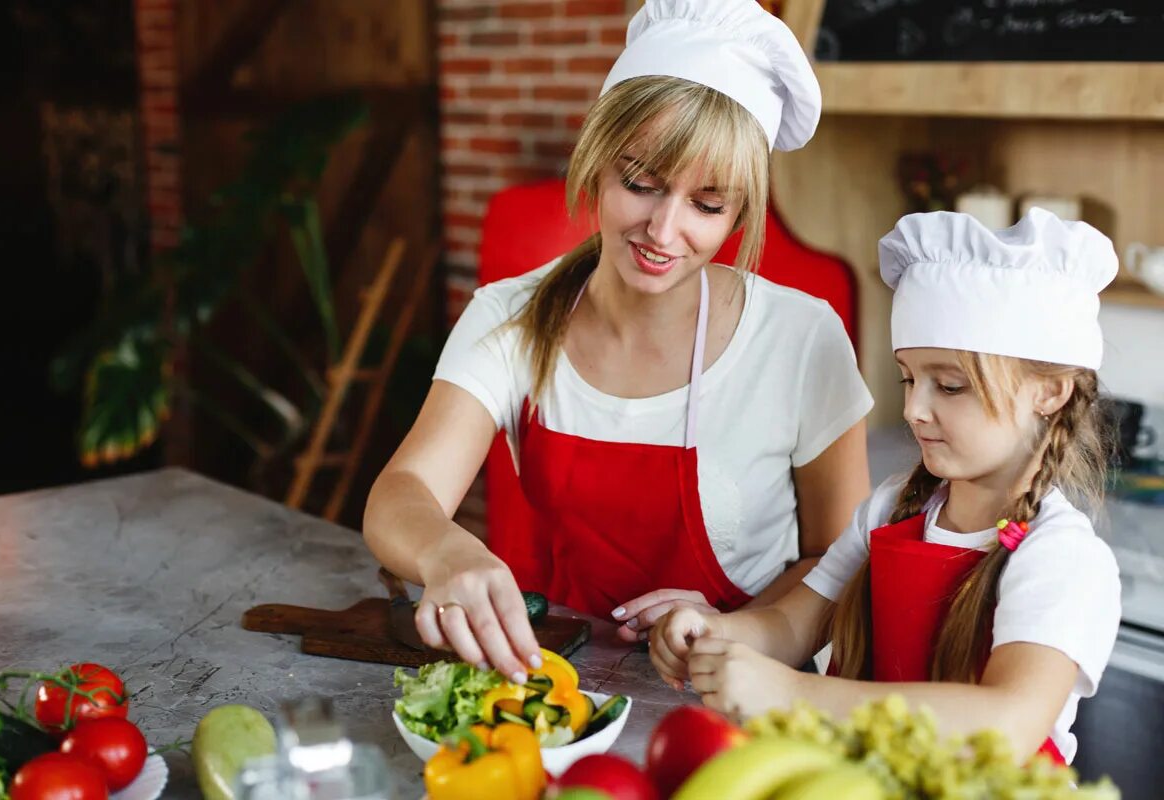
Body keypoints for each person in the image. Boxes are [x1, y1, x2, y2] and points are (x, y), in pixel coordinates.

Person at [362, 0, 873, 683]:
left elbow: (839, 564)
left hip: (739, 689)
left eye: (707, 205)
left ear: (741, 213)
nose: (663, 231)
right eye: (641, 183)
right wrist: (447, 554)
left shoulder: (803, 339)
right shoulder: (509, 316)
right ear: (597, 162)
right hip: (548, 680)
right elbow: (403, 491)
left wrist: (738, 630)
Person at [651, 208, 1123, 765]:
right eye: (909, 378)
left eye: (950, 386)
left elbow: (1008, 723)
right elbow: (790, 625)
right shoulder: (889, 512)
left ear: (1051, 393)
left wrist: (797, 694)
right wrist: (716, 635)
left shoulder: (1062, 557)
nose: (914, 409)